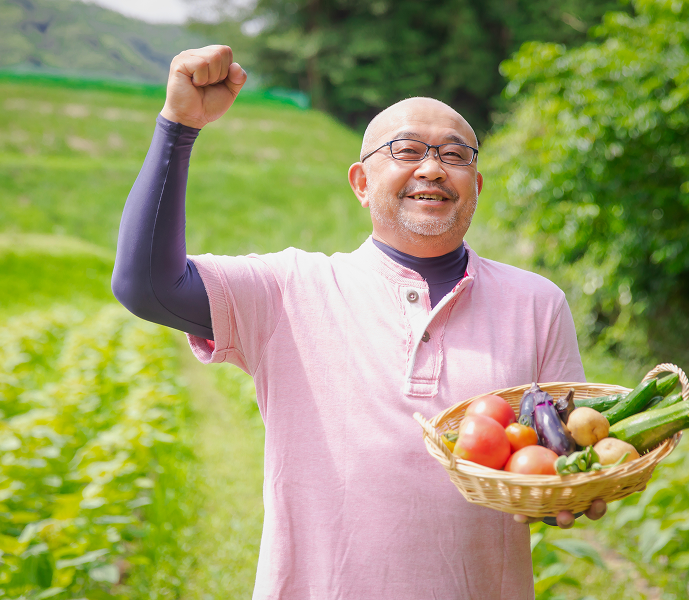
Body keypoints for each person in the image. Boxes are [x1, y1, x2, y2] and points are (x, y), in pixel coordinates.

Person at [112, 45, 607, 600]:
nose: (432, 167)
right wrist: (179, 126)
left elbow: (558, 453)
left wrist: (563, 492)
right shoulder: (289, 290)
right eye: (407, 150)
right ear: (361, 182)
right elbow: (146, 286)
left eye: (455, 154)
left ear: (477, 185)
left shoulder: (537, 302)